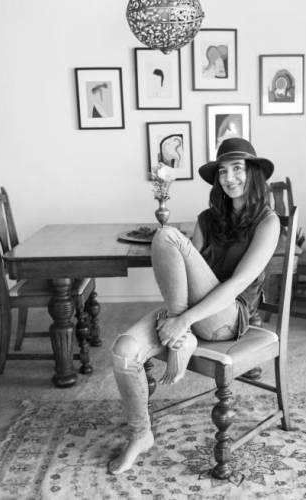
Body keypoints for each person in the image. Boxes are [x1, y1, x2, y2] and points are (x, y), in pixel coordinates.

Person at [108, 137, 279, 475]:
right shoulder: (206, 219)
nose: (229, 177)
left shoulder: (267, 222)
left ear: (254, 173)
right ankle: (141, 435)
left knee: (166, 234)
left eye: (237, 169)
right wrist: (180, 319)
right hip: (190, 314)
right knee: (123, 351)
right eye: (222, 171)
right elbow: (183, 280)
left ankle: (182, 336)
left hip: (228, 318)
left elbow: (237, 285)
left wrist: (183, 321)